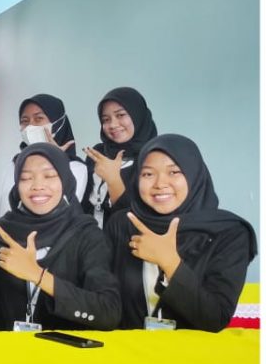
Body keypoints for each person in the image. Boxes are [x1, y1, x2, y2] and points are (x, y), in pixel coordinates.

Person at [105, 134, 256, 332]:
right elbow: (103, 298)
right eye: (148, 174)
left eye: (174, 172)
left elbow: (216, 319)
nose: (160, 184)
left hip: (192, 349)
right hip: (128, 347)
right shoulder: (122, 223)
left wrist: (170, 263)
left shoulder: (229, 232)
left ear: (194, 175)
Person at [0, 144, 121, 331]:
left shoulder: (86, 234)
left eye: (49, 176)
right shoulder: (0, 233)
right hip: (9, 346)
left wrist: (38, 276)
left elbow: (108, 312)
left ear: (65, 180)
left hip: (68, 347)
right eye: (26, 178)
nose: (37, 186)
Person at [0, 94, 88, 214]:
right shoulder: (14, 165)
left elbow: (61, 209)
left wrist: (57, 159)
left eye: (38, 119)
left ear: (58, 123)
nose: (30, 126)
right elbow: (3, 210)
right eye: (25, 121)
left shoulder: (75, 168)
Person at [82, 87, 159, 228]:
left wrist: (114, 181)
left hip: (125, 237)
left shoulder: (154, 158)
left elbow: (144, 216)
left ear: (137, 115)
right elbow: (81, 200)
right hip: (88, 237)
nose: (112, 125)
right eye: (106, 119)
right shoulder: (98, 153)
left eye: (121, 115)